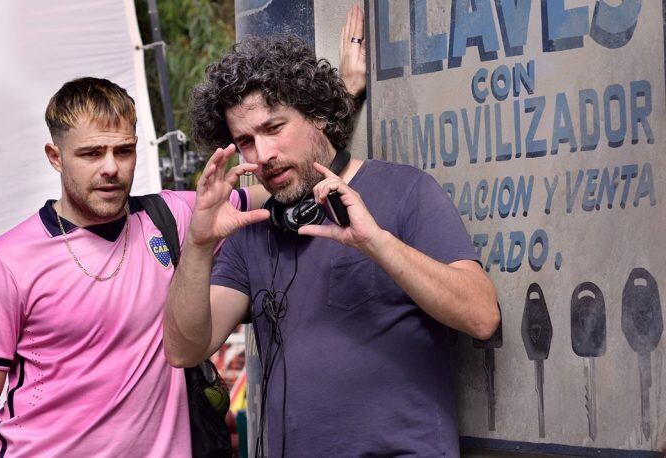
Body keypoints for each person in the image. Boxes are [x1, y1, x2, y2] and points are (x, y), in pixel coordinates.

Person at [163, 27, 500, 458]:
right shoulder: (252, 230)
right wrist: (198, 242)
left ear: (319, 115)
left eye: (274, 127)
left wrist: (377, 243)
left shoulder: (406, 191)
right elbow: (184, 348)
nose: (262, 154)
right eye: (246, 141)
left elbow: (481, 316)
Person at [0, 77, 269, 457]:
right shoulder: (11, 259)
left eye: (124, 151)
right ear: (55, 156)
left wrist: (342, 101)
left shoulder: (174, 217)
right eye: (91, 153)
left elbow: (283, 182)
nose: (111, 168)